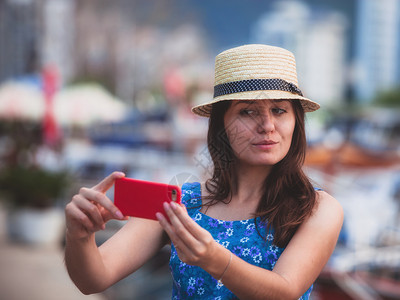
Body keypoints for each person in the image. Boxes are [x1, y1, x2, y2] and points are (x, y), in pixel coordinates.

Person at [64, 44, 344, 299]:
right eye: (248, 111)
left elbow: (285, 291)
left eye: (279, 110)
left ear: (297, 121)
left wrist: (214, 259)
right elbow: (93, 279)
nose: (267, 125)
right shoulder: (179, 204)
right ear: (221, 125)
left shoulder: (317, 208)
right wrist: (80, 235)